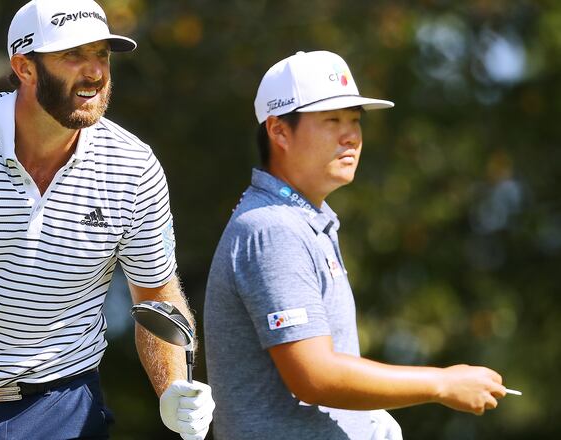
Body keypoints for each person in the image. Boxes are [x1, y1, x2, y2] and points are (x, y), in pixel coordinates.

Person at [0, 0, 214, 438]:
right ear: (24, 67)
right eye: (73, 55)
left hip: (64, 407)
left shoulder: (134, 165)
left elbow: (156, 295)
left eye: (101, 55)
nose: (94, 73)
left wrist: (173, 388)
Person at [203, 50, 508, 440]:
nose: (350, 135)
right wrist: (442, 383)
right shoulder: (272, 228)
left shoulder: (304, 221)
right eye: (331, 120)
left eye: (354, 121)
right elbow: (314, 376)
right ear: (279, 131)